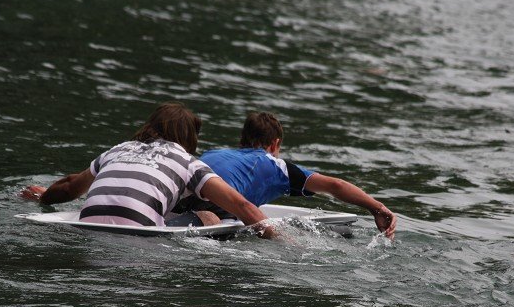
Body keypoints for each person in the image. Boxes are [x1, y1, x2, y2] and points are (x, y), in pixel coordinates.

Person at [20, 102, 275, 237]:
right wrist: (280, 239)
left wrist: (43, 197)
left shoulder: (118, 149)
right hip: (140, 240)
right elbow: (240, 205)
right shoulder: (188, 162)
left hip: (87, 228)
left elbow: (69, 187)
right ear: (189, 139)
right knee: (210, 217)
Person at [174, 111, 397, 239]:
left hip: (179, 198)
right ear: (275, 143)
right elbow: (335, 185)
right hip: (213, 205)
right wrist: (376, 207)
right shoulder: (273, 164)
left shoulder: (215, 153)